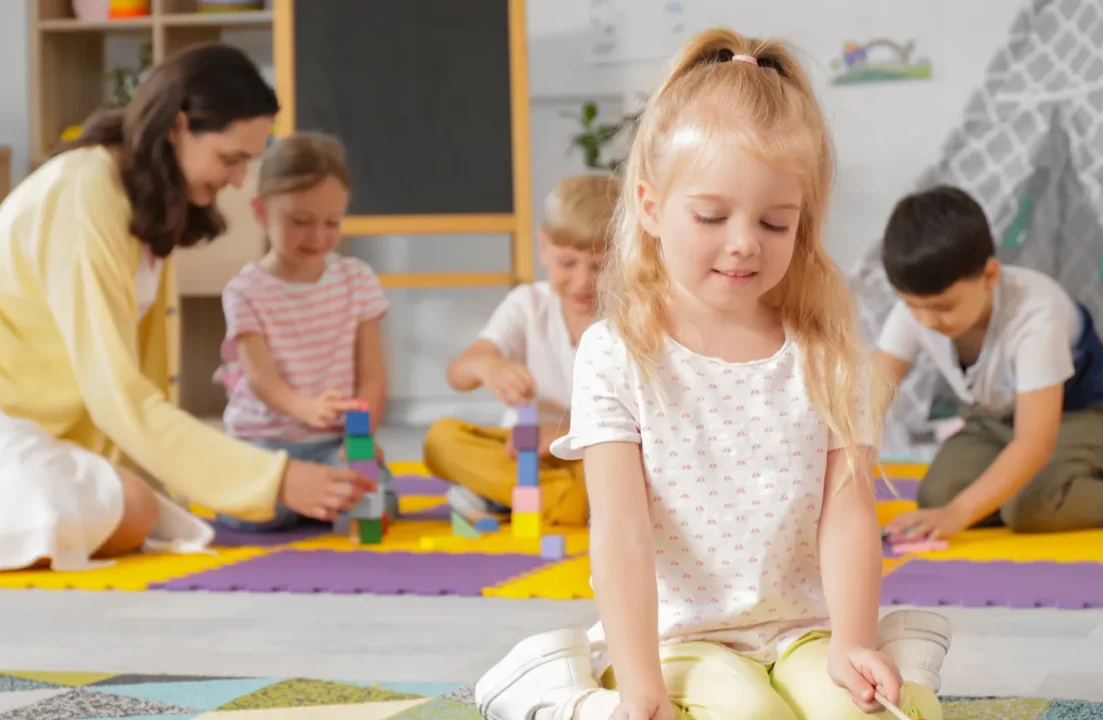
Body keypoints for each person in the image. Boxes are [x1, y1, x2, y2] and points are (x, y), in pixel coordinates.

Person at [473, 29, 950, 720]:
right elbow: (620, 535)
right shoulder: (617, 352)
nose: (743, 243)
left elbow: (847, 514)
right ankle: (554, 691)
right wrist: (642, 689)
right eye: (710, 215)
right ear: (648, 205)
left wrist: (850, 644)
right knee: (750, 714)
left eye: (776, 223)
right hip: (674, 640)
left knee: (885, 711)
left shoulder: (827, 352)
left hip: (802, 629)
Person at [0, 43, 374, 575]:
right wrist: (275, 479)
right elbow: (118, 395)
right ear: (177, 126)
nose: (240, 179)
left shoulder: (141, 207)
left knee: (139, 511)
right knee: (110, 508)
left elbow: (136, 387)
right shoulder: (83, 194)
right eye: (231, 158)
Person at [876, 185, 1103, 539]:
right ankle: (1065, 477)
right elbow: (870, 394)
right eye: (912, 306)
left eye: (943, 308)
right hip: (994, 418)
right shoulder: (918, 308)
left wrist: (958, 514)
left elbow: (1035, 439)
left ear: (989, 276)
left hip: (1080, 417)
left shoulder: (1036, 311)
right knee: (937, 497)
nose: (926, 321)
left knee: (1030, 509)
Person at [213, 132, 397, 531]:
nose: (318, 237)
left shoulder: (358, 280)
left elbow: (372, 376)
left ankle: (322, 500)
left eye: (332, 222)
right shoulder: (245, 291)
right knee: (252, 519)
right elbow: (262, 378)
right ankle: (297, 502)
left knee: (366, 505)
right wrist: (306, 408)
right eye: (300, 222)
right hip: (262, 445)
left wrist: (359, 440)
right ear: (261, 213)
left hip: (333, 444)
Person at [423, 172, 619, 527]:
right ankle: (540, 499)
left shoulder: (630, 318)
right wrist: (488, 367)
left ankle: (504, 497)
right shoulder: (528, 304)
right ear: (543, 247)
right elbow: (458, 372)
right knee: (440, 440)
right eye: (567, 263)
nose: (581, 282)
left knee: (617, 477)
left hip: (593, 456)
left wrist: (565, 434)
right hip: (521, 452)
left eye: (600, 266)